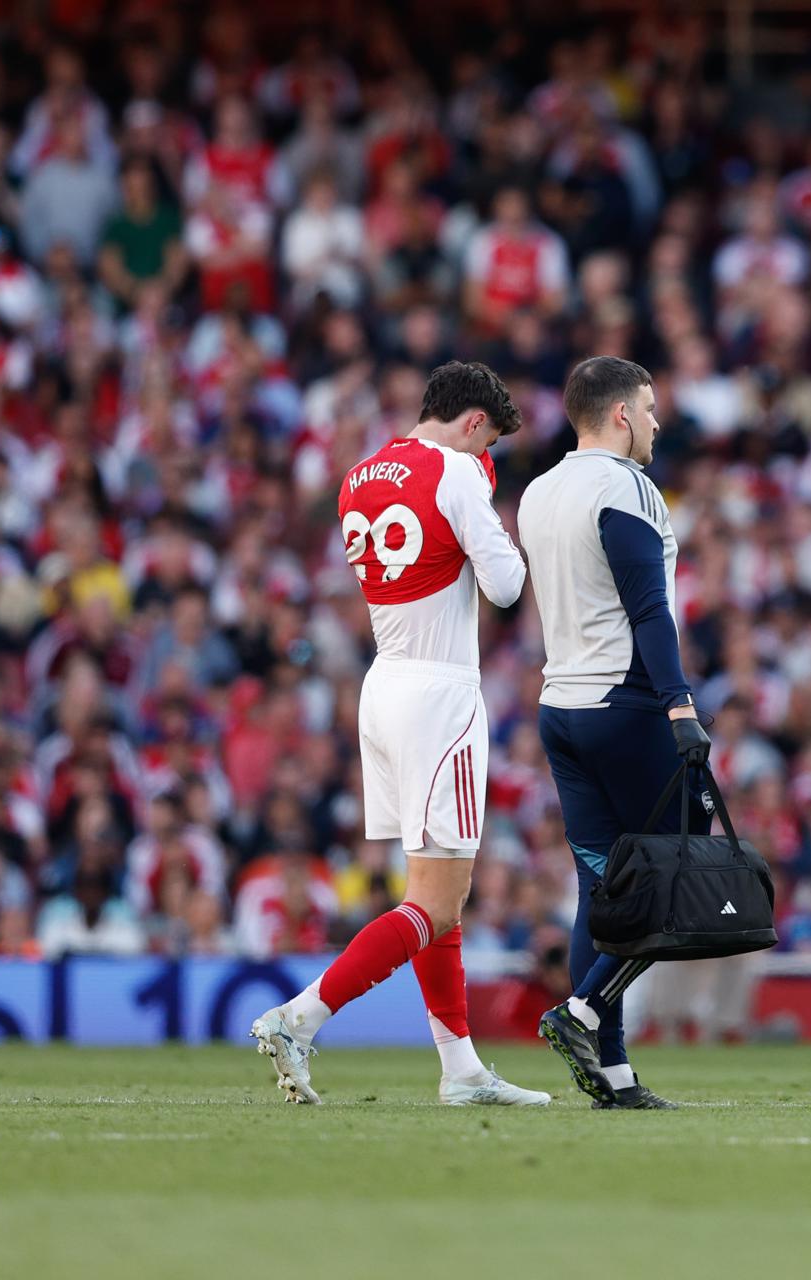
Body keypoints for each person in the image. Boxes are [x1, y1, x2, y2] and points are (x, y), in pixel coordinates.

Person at [249, 361, 547, 1108]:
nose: (490, 463)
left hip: (383, 685)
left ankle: (461, 1069)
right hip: (440, 692)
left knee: (430, 893)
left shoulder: (359, 474)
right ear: (474, 422)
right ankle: (301, 1016)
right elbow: (508, 586)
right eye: (491, 447)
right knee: (440, 902)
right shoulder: (457, 472)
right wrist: (492, 509)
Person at [520, 356, 710, 1110]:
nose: (658, 423)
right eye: (651, 408)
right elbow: (648, 608)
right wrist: (680, 703)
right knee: (681, 869)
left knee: (601, 889)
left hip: (561, 706)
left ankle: (613, 1072)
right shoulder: (626, 485)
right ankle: (586, 1010)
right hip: (626, 704)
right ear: (623, 412)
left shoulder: (538, 491)